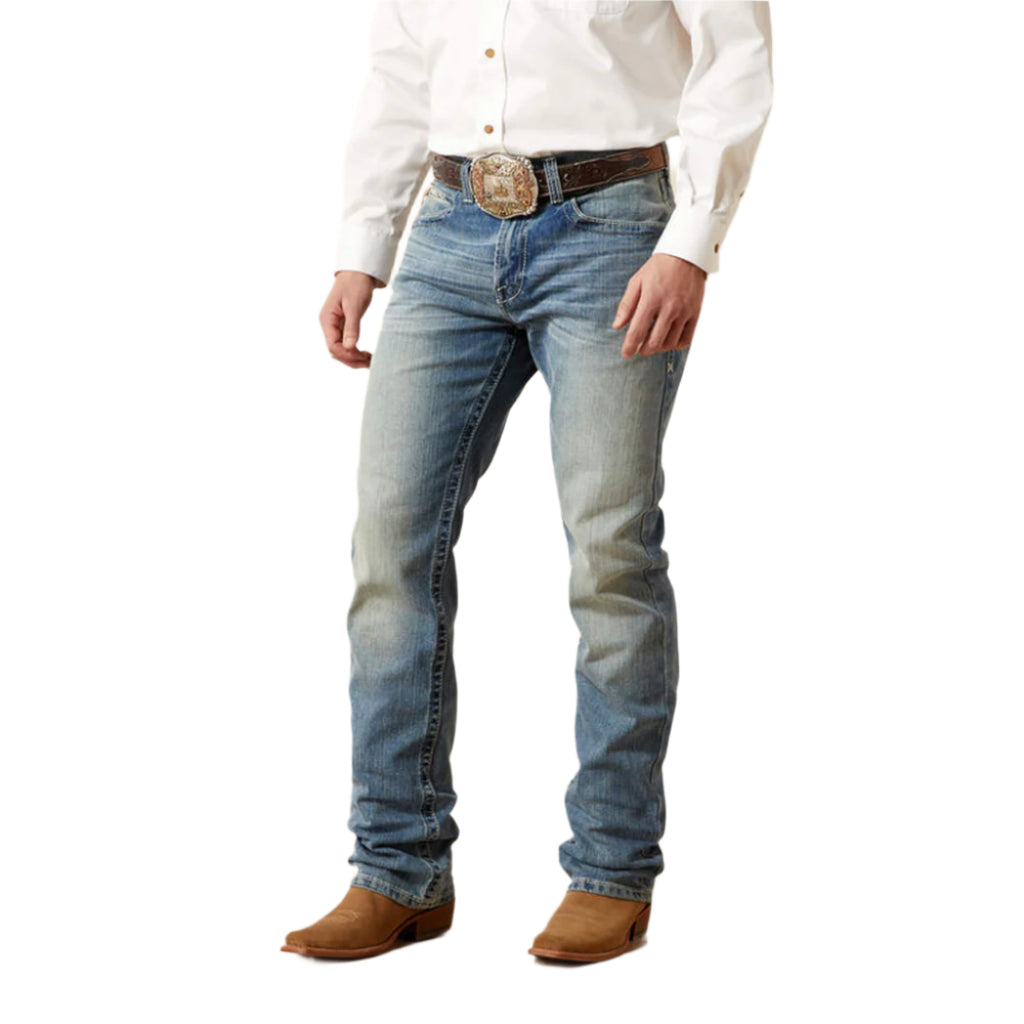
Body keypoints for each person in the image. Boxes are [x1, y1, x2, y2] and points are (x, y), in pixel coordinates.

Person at [282, 0, 773, 963]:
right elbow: (398, 72)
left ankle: (611, 871)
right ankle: (396, 873)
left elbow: (735, 55)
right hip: (447, 233)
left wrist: (691, 241)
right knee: (390, 550)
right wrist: (361, 249)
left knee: (610, 554)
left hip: (613, 229)